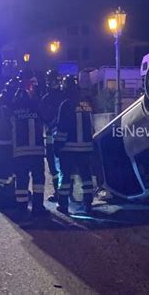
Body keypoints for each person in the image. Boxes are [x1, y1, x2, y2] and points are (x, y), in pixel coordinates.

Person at [54, 75, 95, 214]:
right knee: (86, 176)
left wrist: (57, 145)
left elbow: (62, 128)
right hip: (86, 148)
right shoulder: (86, 104)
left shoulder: (65, 105)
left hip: (68, 148)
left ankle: (63, 204)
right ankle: (88, 203)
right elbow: (91, 126)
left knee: (65, 177)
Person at [11, 87, 48, 217]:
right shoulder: (37, 109)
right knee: (38, 181)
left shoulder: (14, 111)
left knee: (21, 181)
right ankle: (38, 207)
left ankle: (22, 208)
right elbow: (47, 121)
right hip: (37, 152)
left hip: (20, 152)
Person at [0, 79, 18, 210]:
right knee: (3, 170)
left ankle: (8, 195)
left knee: (8, 170)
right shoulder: (3, 102)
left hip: (2, 142)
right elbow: (11, 120)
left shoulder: (3, 99)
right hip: (2, 142)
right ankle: (1, 198)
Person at [40, 70, 64, 201]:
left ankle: (60, 192)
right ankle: (62, 192)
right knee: (61, 166)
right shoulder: (64, 96)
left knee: (55, 167)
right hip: (63, 138)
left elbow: (44, 118)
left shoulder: (46, 98)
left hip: (52, 139)